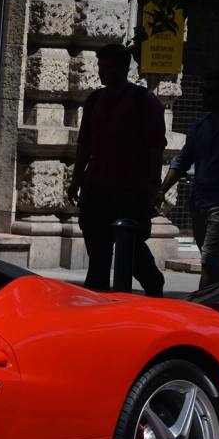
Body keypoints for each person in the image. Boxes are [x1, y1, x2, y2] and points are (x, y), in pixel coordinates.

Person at [66, 44, 167, 296]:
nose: (102, 71)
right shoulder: (95, 100)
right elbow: (84, 145)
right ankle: (98, 303)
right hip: (97, 189)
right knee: (98, 257)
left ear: (122, 68)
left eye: (107, 66)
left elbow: (156, 147)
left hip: (129, 191)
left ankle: (153, 283)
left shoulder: (144, 101)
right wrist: (76, 180)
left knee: (131, 250)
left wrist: (154, 185)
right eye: (100, 65)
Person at [153, 69, 219, 289]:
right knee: (214, 260)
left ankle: (201, 307)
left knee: (209, 258)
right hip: (199, 202)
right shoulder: (199, 127)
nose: (204, 97)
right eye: (202, 91)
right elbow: (182, 162)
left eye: (210, 92)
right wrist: (161, 190)